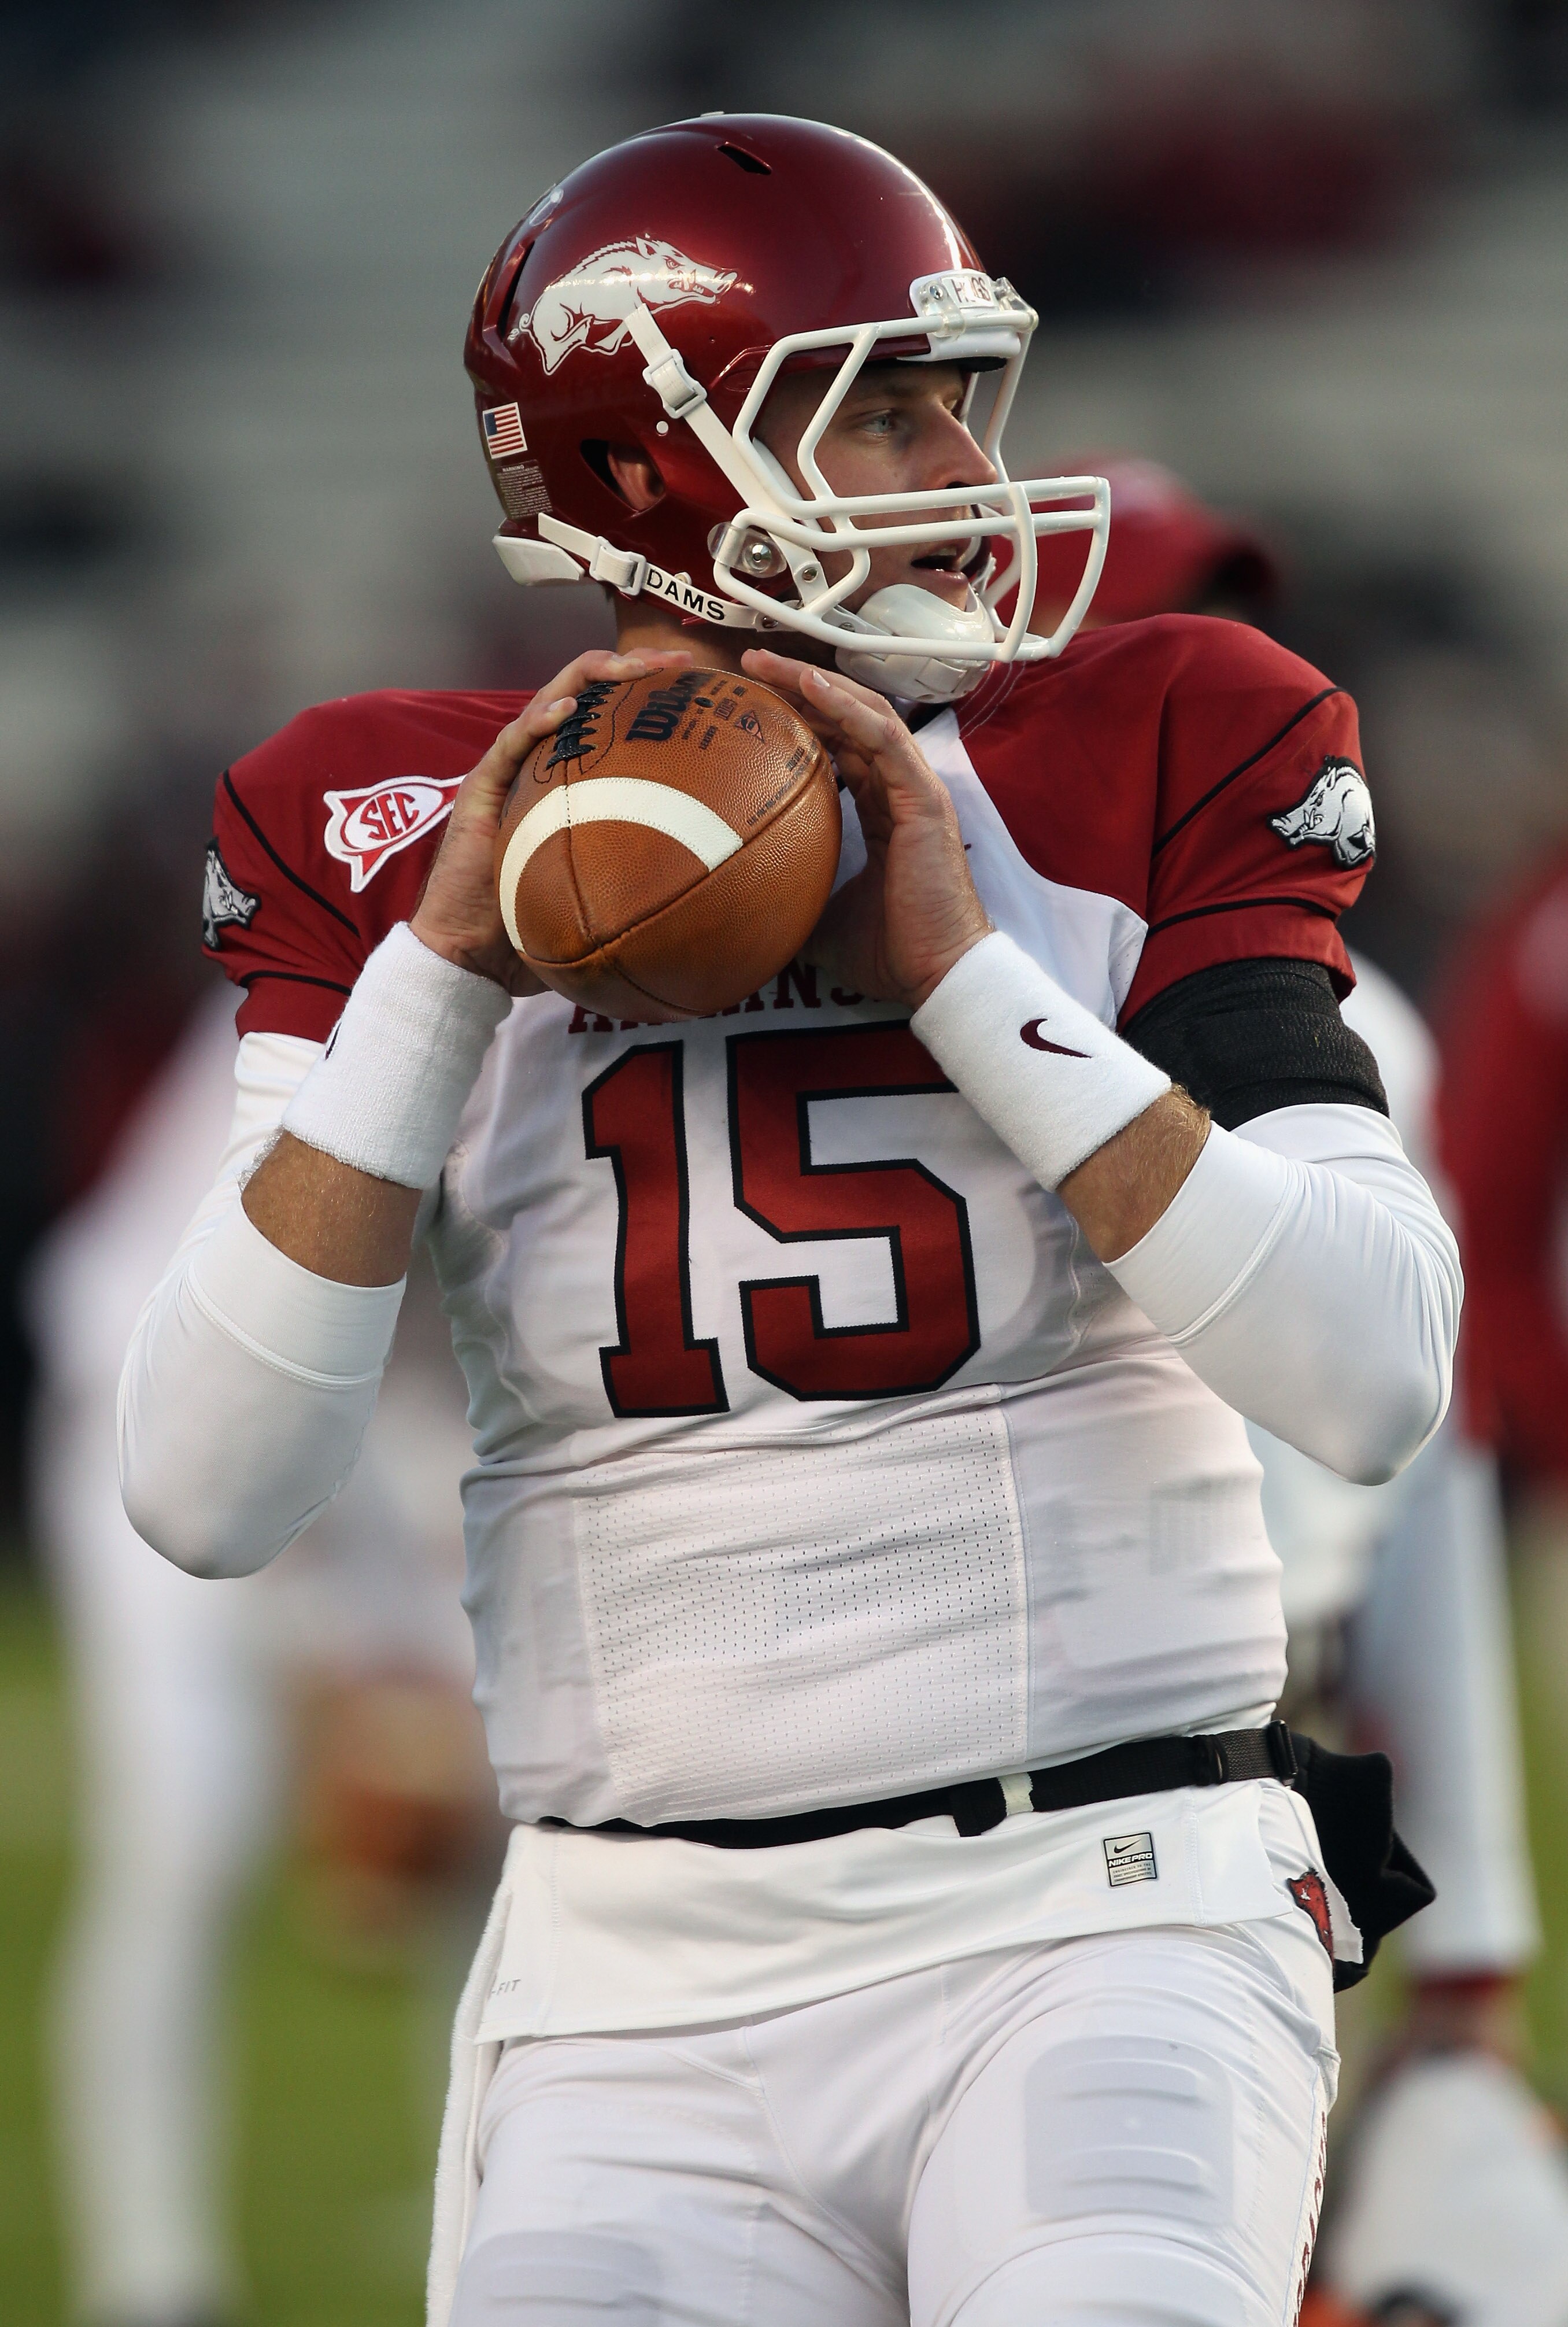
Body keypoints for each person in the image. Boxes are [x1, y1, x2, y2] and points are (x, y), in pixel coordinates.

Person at [119, 116, 1461, 2327]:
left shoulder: (1157, 735)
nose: (966, 457)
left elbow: (1371, 1369)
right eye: (885, 403)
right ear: (666, 463)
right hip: (632, 1979)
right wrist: (446, 969)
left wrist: (960, 971)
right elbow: (198, 1487)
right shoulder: (394, 821)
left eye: (961, 392)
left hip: (1101, 1901)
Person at [29, 984, 485, 2327]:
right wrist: (358, 1658)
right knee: (189, 1838)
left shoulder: (611, 990)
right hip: (156, 1408)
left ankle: (497, 2237)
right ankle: (150, 2277)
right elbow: (220, 1385)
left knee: (503, 1837)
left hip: (369, 1426)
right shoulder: (356, 982)